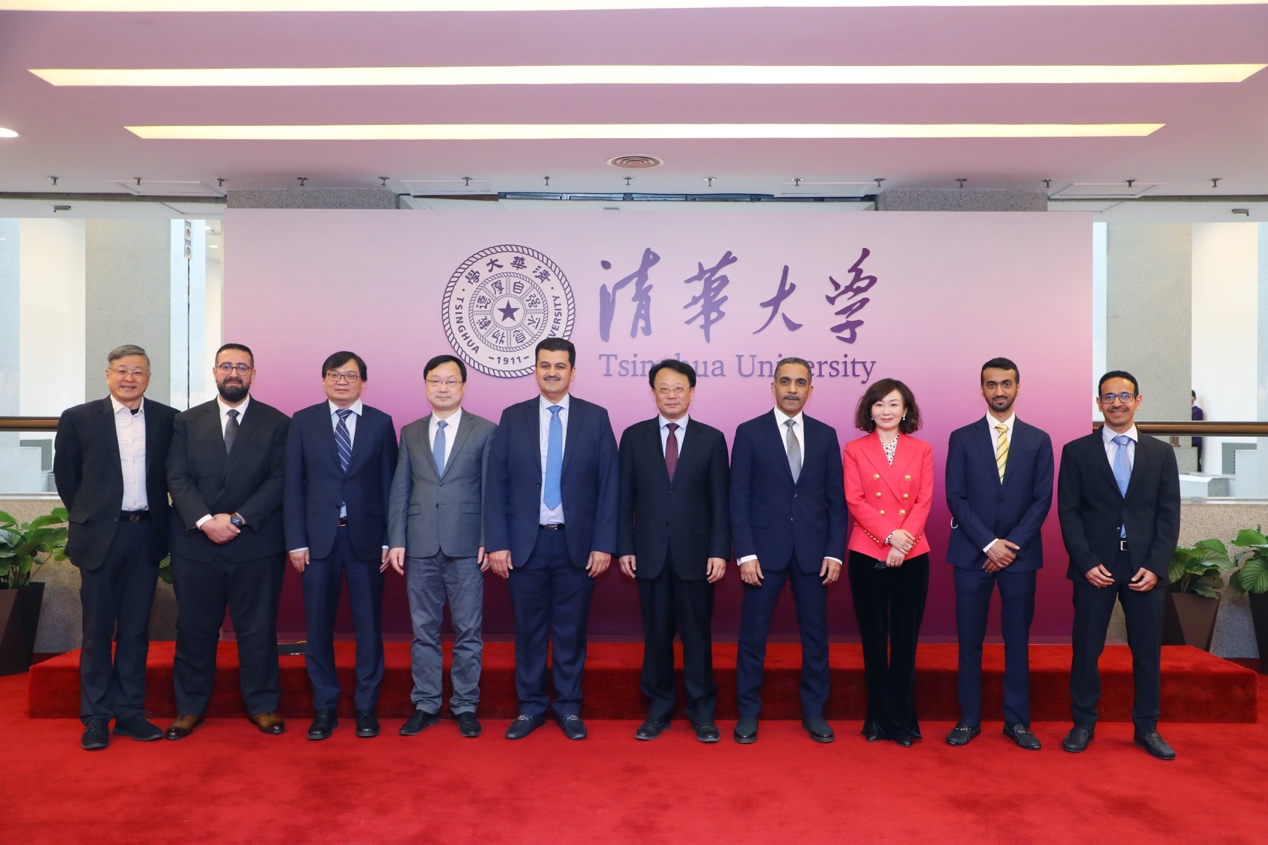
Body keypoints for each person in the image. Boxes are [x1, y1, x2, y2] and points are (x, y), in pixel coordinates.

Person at [484, 337, 618, 740]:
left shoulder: (596, 418)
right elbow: (496, 483)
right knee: (528, 632)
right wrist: (497, 542)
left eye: (560, 366)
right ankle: (529, 709)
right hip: (525, 545)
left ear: (573, 372)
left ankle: (569, 708)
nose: (552, 372)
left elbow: (609, 485)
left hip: (577, 545)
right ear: (535, 370)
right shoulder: (513, 417)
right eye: (545, 365)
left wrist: (603, 543)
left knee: (570, 632)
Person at [53, 344, 178, 751]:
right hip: (100, 537)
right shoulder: (78, 419)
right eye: (121, 370)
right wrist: (92, 516)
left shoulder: (168, 419)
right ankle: (95, 717)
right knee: (97, 630)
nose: (129, 378)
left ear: (149, 377)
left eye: (138, 371)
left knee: (137, 630)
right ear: (107, 375)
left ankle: (129, 712)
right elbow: (67, 477)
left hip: (146, 533)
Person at [164, 343, 290, 739]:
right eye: (226, 366)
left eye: (242, 367)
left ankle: (263, 705)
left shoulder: (277, 422)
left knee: (258, 630)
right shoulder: (186, 422)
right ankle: (189, 708)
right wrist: (206, 521)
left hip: (255, 544)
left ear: (253, 373)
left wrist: (236, 519)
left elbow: (280, 479)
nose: (233, 373)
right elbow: (177, 477)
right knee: (194, 630)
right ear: (215, 372)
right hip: (196, 546)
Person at [1058, 370, 1181, 760]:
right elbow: (1068, 513)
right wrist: (1086, 562)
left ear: (1138, 401)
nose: (1117, 403)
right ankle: (1083, 724)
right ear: (1099, 403)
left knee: (1147, 653)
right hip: (1096, 567)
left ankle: (1147, 728)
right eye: (1108, 397)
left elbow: (1169, 515)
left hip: (1144, 567)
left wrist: (1157, 565)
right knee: (1086, 650)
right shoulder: (1077, 451)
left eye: (1124, 396)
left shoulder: (1160, 453)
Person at [730, 357, 847, 745]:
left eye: (800, 382)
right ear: (773, 387)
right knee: (753, 637)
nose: (792, 389)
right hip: (763, 555)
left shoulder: (826, 435)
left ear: (810, 389)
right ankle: (748, 712)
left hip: (814, 555)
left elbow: (837, 501)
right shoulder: (749, 432)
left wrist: (834, 552)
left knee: (816, 639)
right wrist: (745, 554)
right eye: (785, 381)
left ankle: (814, 712)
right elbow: (738, 498)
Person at [284, 351, 397, 741]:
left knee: (369, 628)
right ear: (323, 380)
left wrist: (389, 538)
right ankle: (325, 707)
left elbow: (390, 486)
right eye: (335, 375)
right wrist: (295, 541)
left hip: (367, 540)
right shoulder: (303, 421)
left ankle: (366, 707)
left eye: (350, 375)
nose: (342, 381)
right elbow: (292, 485)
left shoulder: (381, 423)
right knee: (317, 627)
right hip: (317, 541)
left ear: (363, 381)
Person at [617, 359, 730, 743]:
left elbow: (720, 501)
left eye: (678, 388)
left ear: (691, 392)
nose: (670, 395)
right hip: (648, 553)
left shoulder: (712, 439)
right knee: (657, 636)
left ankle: (702, 713)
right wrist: (624, 546)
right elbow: (624, 498)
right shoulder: (633, 437)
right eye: (663, 388)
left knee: (697, 637)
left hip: (697, 556)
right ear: (653, 393)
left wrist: (719, 551)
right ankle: (659, 709)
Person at [944, 358, 1053, 750]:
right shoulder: (961, 437)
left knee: (1017, 641)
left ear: (1018, 387)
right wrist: (989, 544)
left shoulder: (1038, 439)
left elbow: (1042, 499)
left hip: (1020, 558)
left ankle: (1017, 722)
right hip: (971, 555)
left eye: (1006, 383)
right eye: (991, 384)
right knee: (969, 643)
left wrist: (1010, 546)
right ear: (982, 389)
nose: (999, 391)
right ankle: (969, 720)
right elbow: (955, 496)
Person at [386, 354, 496, 739]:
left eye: (451, 381)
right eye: (436, 381)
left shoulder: (485, 430)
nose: (443, 388)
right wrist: (396, 539)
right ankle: (426, 704)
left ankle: (465, 705)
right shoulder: (410, 432)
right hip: (419, 545)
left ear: (463, 385)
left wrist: (487, 539)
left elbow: (491, 491)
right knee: (423, 631)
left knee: (468, 631)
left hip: (467, 546)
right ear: (426, 385)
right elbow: (401, 489)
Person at [843, 378, 934, 747]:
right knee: (874, 638)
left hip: (913, 553)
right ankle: (877, 720)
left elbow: (924, 500)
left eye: (894, 404)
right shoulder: (854, 449)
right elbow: (855, 499)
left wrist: (903, 540)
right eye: (879, 404)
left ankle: (902, 721)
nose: (886, 411)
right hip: (868, 552)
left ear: (906, 410)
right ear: (869, 409)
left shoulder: (922, 449)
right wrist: (889, 536)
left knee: (906, 639)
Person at [1191, 390, 1204, 472]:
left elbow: (1194, 426)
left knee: (1195, 464)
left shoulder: (1197, 411)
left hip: (1195, 441)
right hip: (1188, 441)